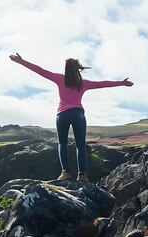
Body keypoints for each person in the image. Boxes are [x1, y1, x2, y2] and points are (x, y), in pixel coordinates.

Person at [9, 53, 133, 182]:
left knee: (62, 143)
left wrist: (21, 62)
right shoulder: (83, 83)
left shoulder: (59, 79)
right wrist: (122, 83)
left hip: (62, 114)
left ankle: (65, 173)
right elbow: (103, 83)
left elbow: (40, 71)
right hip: (78, 114)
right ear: (77, 69)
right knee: (80, 145)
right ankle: (82, 175)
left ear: (66, 68)